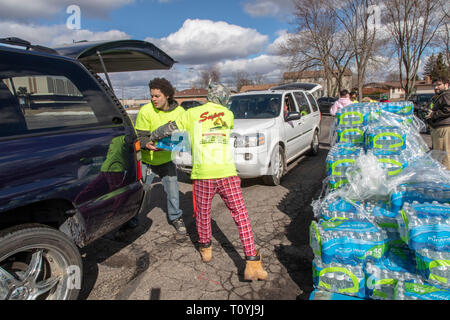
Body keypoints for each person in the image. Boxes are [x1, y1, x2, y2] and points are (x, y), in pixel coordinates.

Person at [146, 83, 268, 281]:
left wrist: (153, 137)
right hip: (227, 172)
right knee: (241, 215)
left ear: (209, 96)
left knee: (203, 213)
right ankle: (252, 262)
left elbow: (171, 128)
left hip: (203, 174)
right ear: (223, 99)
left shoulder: (192, 113)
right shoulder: (227, 115)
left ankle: (206, 249)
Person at [132, 77, 187, 234]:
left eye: (157, 96)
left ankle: (176, 217)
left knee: (173, 191)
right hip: (148, 160)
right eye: (152, 96)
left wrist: (181, 145)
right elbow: (141, 135)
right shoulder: (145, 111)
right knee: (141, 192)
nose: (153, 99)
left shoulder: (180, 112)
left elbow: (184, 134)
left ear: (167, 95)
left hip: (167, 160)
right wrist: (145, 143)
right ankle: (132, 219)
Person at [425, 77, 450, 170]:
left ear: (447, 85)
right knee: (438, 154)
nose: (436, 87)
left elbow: (448, 109)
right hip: (438, 128)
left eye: (439, 85)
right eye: (434, 85)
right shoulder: (439, 96)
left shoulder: (447, 95)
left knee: (444, 155)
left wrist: (433, 114)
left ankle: (446, 177)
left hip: (444, 129)